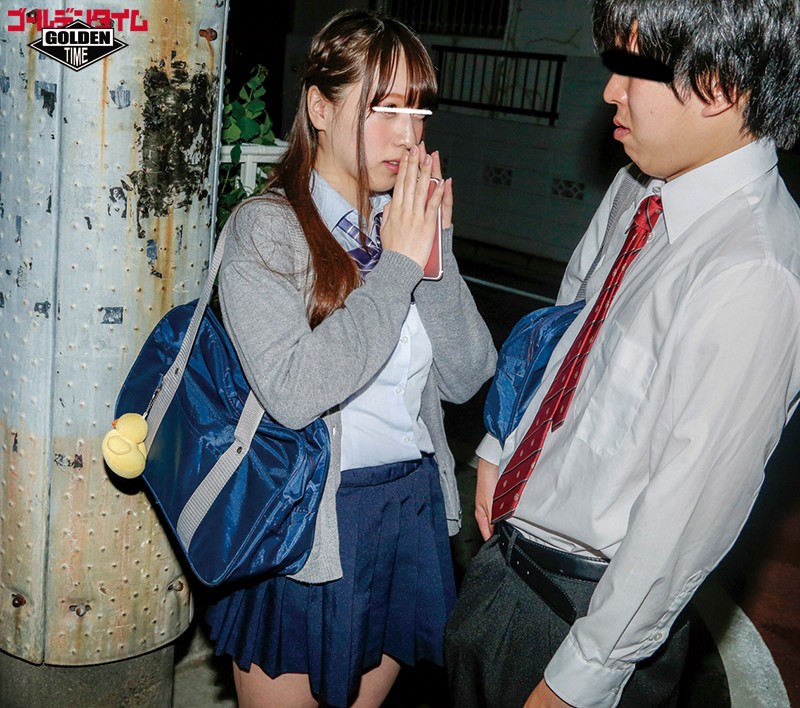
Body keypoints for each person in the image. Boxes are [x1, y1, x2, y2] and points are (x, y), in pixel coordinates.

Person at [445, 0, 800, 706]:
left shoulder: (754, 272)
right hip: (508, 559)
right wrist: (500, 437)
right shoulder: (644, 180)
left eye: (634, 70)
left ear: (720, 84)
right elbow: (570, 319)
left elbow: (687, 512)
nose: (610, 90)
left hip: (576, 611)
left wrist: (581, 677)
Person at [205, 9, 496, 708]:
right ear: (320, 108)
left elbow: (467, 375)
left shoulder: (401, 225)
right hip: (307, 517)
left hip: (406, 510)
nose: (408, 134)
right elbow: (294, 391)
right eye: (383, 108)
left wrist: (435, 253)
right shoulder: (267, 231)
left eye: (417, 110)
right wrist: (398, 268)